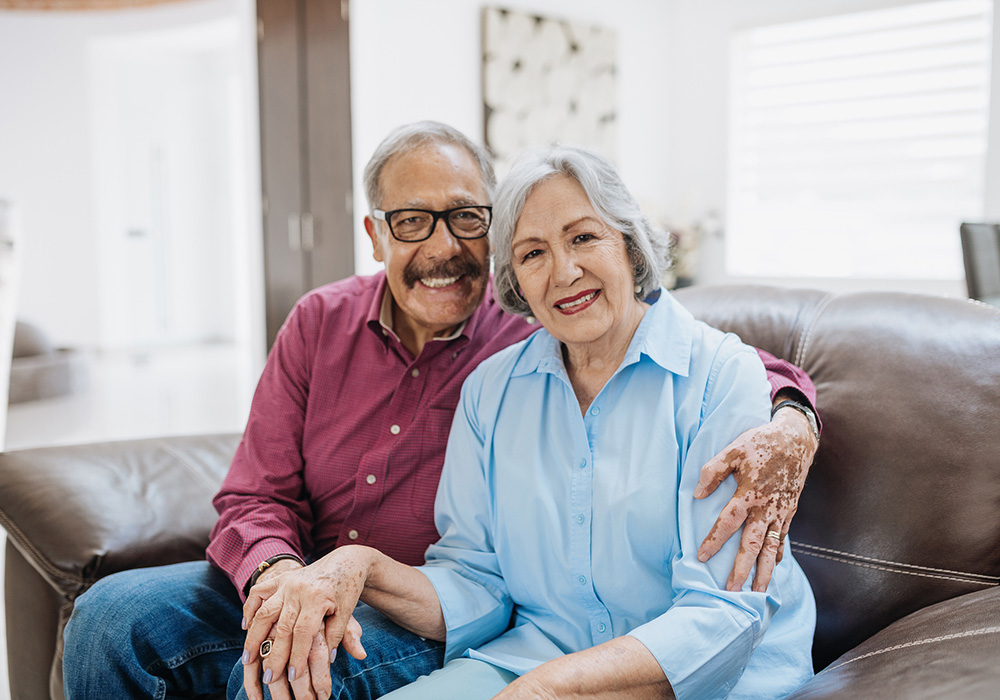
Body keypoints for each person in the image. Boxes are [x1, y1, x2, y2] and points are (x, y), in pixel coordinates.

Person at [61, 122, 819, 700]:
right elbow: (263, 498)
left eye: (463, 218)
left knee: (276, 676)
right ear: (377, 234)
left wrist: (794, 418)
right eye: (412, 221)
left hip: (453, 630)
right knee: (106, 617)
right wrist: (290, 577)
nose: (442, 247)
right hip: (357, 590)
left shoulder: (544, 329)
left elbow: (707, 361)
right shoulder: (353, 334)